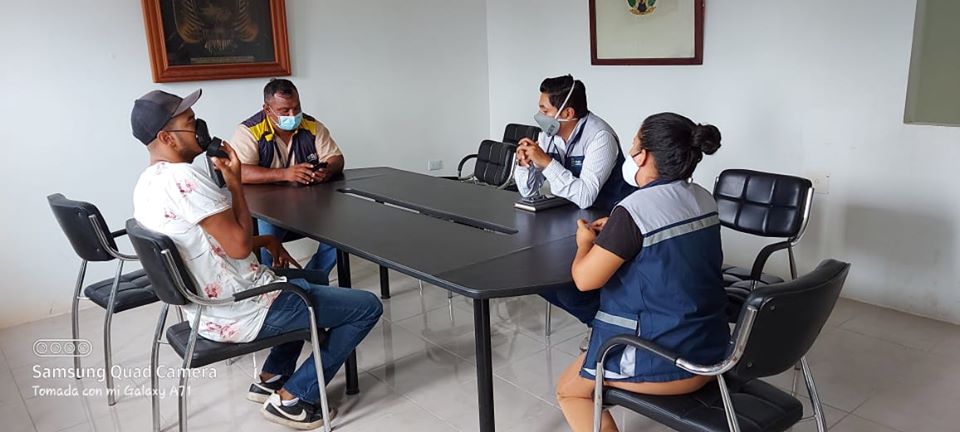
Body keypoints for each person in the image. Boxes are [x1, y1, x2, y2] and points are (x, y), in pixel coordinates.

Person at [131, 89, 381, 430]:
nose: (199, 127)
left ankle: (271, 376)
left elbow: (214, 241)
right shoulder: (184, 178)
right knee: (366, 307)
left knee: (310, 281)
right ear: (166, 137)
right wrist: (235, 183)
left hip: (207, 309)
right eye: (190, 122)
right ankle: (294, 399)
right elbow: (237, 247)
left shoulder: (147, 182)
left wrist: (265, 240)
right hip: (242, 308)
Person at [555, 112, 730, 432]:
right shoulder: (704, 198)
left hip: (667, 359)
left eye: (634, 145)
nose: (631, 153)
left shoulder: (633, 210)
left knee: (570, 391)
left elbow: (584, 280)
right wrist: (620, 230)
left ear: (644, 155)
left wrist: (585, 243)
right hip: (714, 349)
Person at [515, 75, 635, 335]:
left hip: (610, 219)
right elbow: (529, 190)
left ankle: (607, 330)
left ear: (567, 113)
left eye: (545, 110)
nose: (539, 116)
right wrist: (524, 166)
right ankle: (602, 323)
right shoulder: (549, 135)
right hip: (574, 219)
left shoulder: (600, 137)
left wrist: (547, 163)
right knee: (539, 277)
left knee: (570, 290)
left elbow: (585, 196)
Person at [230, 79, 345, 280]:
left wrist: (326, 170)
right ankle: (275, 284)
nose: (293, 115)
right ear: (267, 109)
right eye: (284, 111)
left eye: (296, 108)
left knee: (343, 230)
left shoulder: (312, 126)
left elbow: (336, 158)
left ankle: (313, 278)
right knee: (267, 237)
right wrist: (285, 174)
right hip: (268, 208)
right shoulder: (249, 131)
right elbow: (239, 172)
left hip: (310, 203)